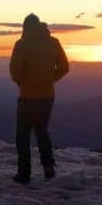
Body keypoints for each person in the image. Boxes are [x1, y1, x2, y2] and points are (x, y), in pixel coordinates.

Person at [9, 13, 70, 182]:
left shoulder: (22, 44)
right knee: (42, 131)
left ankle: (24, 173)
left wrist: (22, 83)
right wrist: (51, 79)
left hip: (27, 96)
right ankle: (48, 167)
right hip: (47, 96)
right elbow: (64, 67)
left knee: (23, 135)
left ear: (25, 27)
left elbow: (14, 70)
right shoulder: (53, 43)